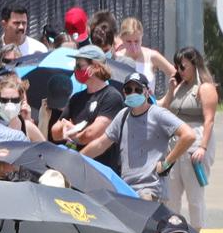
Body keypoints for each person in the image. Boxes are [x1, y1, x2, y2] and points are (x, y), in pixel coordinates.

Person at [82, 72, 196, 200]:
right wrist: (77, 158)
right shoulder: (123, 115)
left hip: (150, 190)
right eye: (128, 90)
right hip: (126, 189)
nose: (133, 93)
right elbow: (101, 144)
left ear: (147, 92)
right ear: (124, 93)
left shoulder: (158, 114)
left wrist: (166, 163)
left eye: (138, 89)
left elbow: (189, 135)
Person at [158, 47, 218, 231]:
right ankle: (171, 230)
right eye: (177, 67)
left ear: (194, 64)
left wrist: (203, 147)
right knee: (171, 193)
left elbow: (209, 120)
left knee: (195, 195)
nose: (180, 71)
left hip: (196, 142)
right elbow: (163, 107)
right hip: (176, 143)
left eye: (183, 66)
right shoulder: (179, 87)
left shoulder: (204, 87)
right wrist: (170, 89)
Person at [50, 47, 123, 166]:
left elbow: (91, 134)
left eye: (79, 66)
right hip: (78, 170)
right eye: (75, 66)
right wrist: (65, 129)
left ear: (95, 66)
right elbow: (55, 132)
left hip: (103, 170)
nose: (76, 70)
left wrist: (72, 131)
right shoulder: (76, 98)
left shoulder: (111, 97)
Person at [0, 5, 46, 78]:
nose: (21, 27)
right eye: (16, 23)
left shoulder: (39, 49)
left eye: (24, 23)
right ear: (4, 24)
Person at [115, 16, 174, 95]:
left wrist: (167, 99)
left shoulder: (152, 56)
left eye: (136, 41)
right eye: (129, 42)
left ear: (142, 36)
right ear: (121, 38)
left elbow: (176, 75)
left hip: (148, 106)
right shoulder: (116, 59)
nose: (133, 47)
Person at [0, 73, 45, 141]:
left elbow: (46, 150)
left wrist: (28, 119)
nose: (9, 104)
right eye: (4, 100)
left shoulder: (27, 127)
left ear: (21, 100)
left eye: (15, 100)